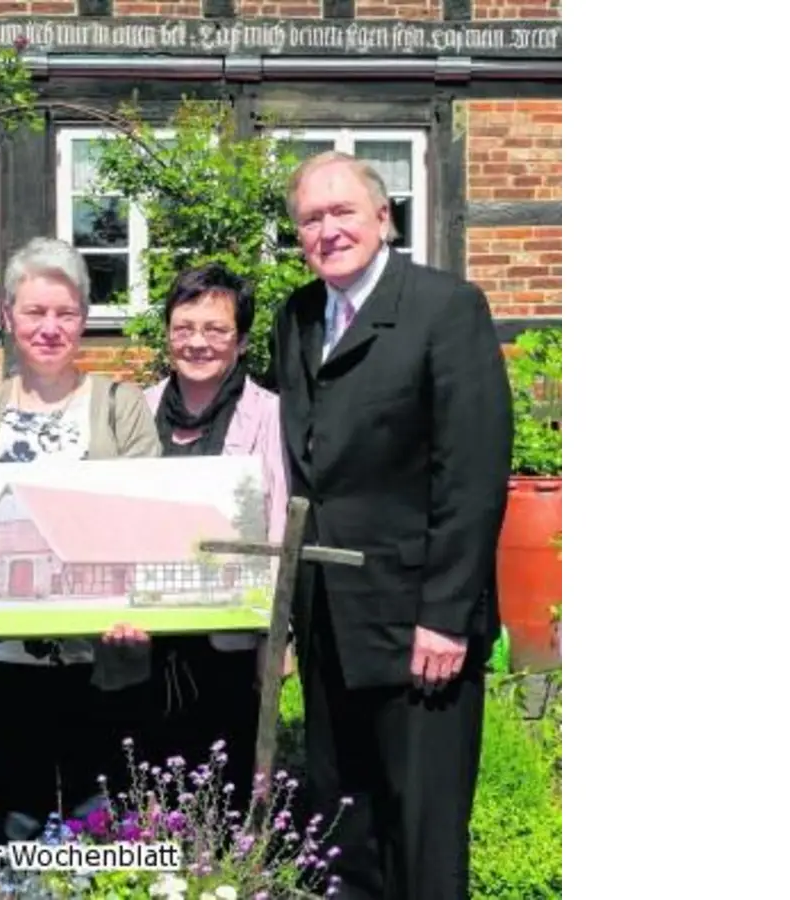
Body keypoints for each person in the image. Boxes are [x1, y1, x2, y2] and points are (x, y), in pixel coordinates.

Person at [269, 151, 513, 900]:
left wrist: (445, 617)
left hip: (418, 629)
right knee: (347, 835)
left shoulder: (445, 308)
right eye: (311, 218)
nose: (328, 230)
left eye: (344, 212)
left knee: (424, 837)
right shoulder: (298, 318)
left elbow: (471, 478)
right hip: (331, 626)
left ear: (385, 217)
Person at [0, 236, 162, 842]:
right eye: (35, 311)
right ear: (8, 315)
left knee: (98, 819)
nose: (50, 327)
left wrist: (139, 606)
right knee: (19, 815)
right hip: (3, 661)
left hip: (100, 656)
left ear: (84, 321)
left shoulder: (120, 406)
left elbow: (145, 522)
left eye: (65, 313)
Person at [135, 262, 289, 815]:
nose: (197, 342)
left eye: (215, 329)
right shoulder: (136, 409)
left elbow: (277, 527)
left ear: (242, 340)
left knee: (225, 783)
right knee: (142, 778)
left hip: (229, 638)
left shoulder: (270, 416)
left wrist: (278, 635)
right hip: (144, 636)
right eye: (184, 327)